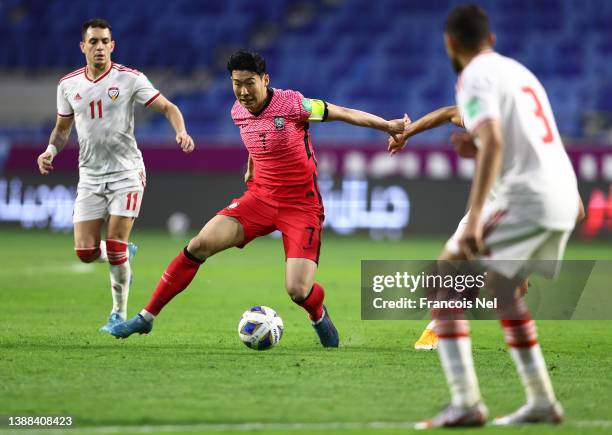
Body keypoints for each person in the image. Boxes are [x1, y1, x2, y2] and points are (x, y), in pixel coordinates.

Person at [110, 50, 407, 346]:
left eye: (249, 82)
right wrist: (252, 164)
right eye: (236, 83)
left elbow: (342, 112)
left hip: (301, 206)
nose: (243, 91)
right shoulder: (236, 112)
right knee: (198, 245)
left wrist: (388, 126)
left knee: (297, 290)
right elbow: (256, 138)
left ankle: (317, 312)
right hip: (259, 199)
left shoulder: (293, 104)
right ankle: (147, 316)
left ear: (265, 80)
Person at [391, 5, 582, 427]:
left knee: (441, 277)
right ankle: (541, 402)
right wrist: (478, 147)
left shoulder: (474, 76)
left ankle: (465, 403)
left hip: (525, 197)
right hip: (562, 196)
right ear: (491, 40)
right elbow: (515, 139)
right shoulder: (519, 73)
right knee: (499, 290)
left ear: (451, 44)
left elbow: (494, 142)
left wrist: (475, 219)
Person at [37, 18, 194, 332]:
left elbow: (169, 108)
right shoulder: (68, 85)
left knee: (117, 242)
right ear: (83, 47)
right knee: (84, 252)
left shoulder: (130, 79)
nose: (99, 47)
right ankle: (121, 256)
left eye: (104, 41)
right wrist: (50, 151)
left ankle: (117, 313)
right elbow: (62, 129)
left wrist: (181, 132)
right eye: (93, 41)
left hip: (126, 172)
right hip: (90, 175)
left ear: (112, 46)